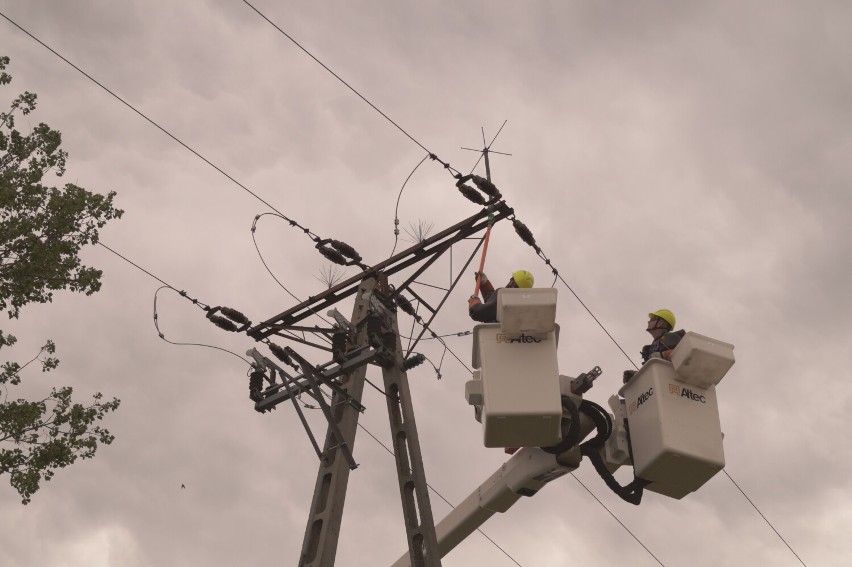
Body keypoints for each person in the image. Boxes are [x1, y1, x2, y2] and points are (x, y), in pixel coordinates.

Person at [623, 309, 686, 383]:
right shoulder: (653, 346)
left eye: (651, 319)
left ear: (660, 323)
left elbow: (684, 353)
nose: (648, 322)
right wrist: (635, 375)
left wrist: (660, 355)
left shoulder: (670, 337)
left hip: (672, 382)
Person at [468, 269, 535, 323]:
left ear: (511, 280)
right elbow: (492, 304)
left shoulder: (504, 297)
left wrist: (474, 303)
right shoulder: (521, 306)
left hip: (495, 334)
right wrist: (485, 284)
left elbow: (478, 312)